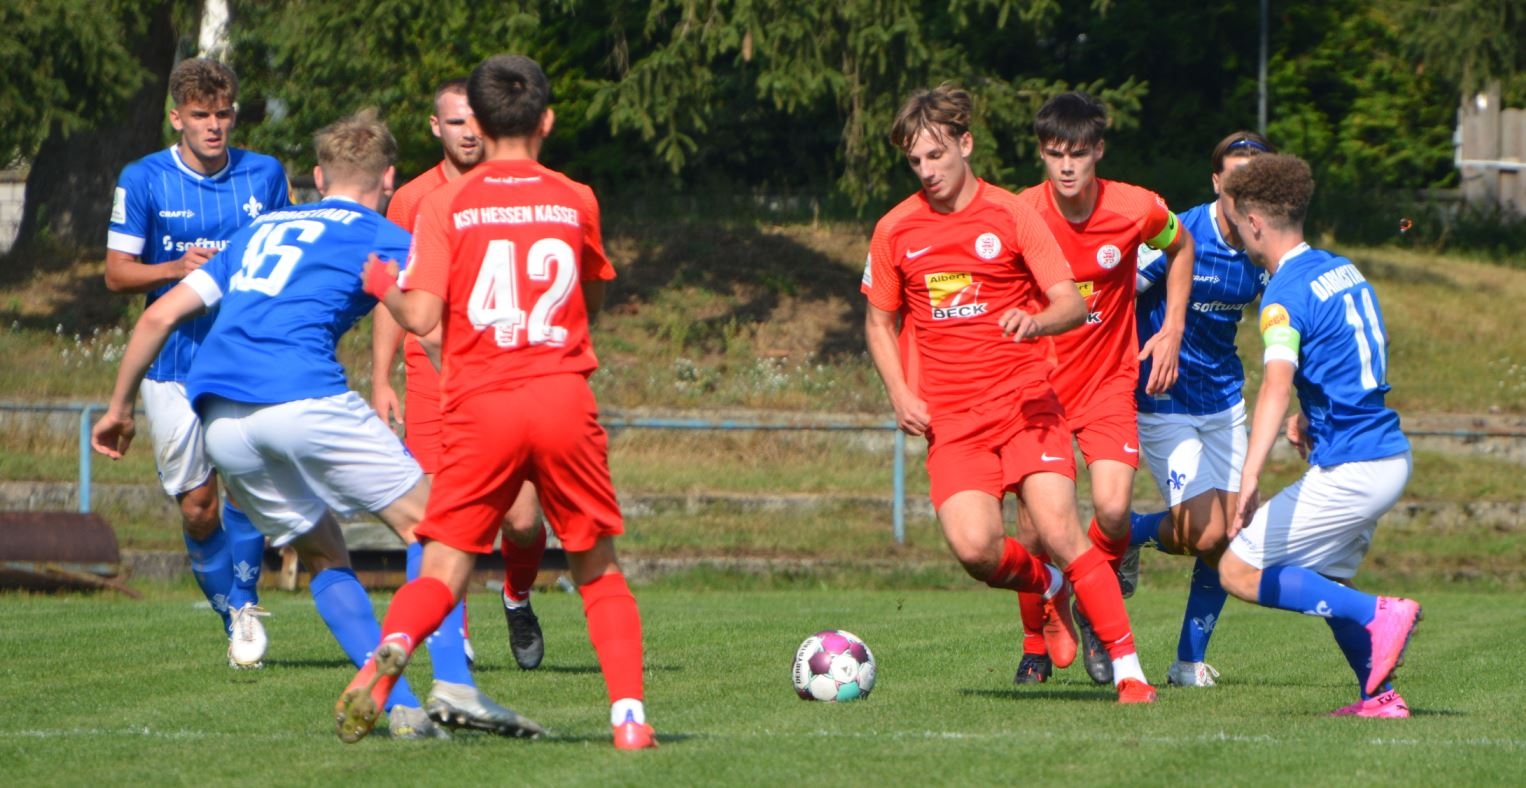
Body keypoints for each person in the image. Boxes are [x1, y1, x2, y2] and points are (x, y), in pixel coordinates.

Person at [91, 110, 539, 740]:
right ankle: (452, 685)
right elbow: (432, 328)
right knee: (439, 530)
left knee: (325, 554)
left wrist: (118, 410)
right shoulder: (382, 234)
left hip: (219, 419)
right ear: (389, 179)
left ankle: (401, 708)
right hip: (304, 398)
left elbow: (157, 318)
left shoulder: (259, 230)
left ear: (319, 178)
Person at [338, 54, 658, 747]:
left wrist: (382, 284)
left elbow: (423, 316)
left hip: (479, 402)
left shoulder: (444, 203)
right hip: (561, 395)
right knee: (597, 569)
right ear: (547, 120)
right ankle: (630, 720)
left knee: (446, 563)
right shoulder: (577, 198)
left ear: (477, 125)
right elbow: (591, 295)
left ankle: (389, 655)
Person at [861, 83, 1156, 704]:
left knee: (1061, 529)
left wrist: (1036, 322)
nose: (927, 170)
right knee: (976, 550)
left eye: (937, 155)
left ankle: (1131, 672)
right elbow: (879, 323)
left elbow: (1070, 303)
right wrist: (899, 394)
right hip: (952, 420)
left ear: (965, 144)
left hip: (1026, 405)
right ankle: (1050, 587)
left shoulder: (1014, 214)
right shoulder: (894, 230)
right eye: (916, 161)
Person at [1217, 153, 1421, 718]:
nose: (1237, 234)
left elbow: (1275, 384)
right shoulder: (1340, 268)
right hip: (1385, 453)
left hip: (1355, 466)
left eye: (1236, 223)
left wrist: (1249, 474)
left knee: (1236, 570)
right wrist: (1312, 414)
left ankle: (1380, 613)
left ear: (1255, 222)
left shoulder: (1283, 296)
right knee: (1327, 579)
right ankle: (1379, 698)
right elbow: (1352, 351)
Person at [104, 57, 290, 667]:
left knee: (252, 486)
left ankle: (245, 605)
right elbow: (116, 274)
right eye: (202, 115)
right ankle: (232, 611)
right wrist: (175, 269)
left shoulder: (265, 174)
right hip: (173, 366)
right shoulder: (144, 178)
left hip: (246, 360)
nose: (215, 126)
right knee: (198, 507)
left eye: (224, 114)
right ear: (176, 117)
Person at [1010, 91, 1195, 686]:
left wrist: (1172, 327)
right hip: (1036, 391)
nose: (1066, 166)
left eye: (1078, 153)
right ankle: (1035, 641)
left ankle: (1094, 598)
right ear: (1041, 153)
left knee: (1114, 510)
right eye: (1054, 153)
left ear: (1099, 151)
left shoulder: (1135, 207)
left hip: (1107, 384)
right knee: (1035, 531)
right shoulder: (1019, 213)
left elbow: (1181, 245)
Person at [373, 77, 548, 671]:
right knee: (442, 516)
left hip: (506, 373)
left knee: (521, 519)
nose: (468, 133)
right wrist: (381, 379)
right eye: (455, 122)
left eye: (475, 121)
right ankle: (457, 639)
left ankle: (517, 595)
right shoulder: (412, 200)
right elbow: (393, 294)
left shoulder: (518, 190)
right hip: (431, 377)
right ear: (435, 127)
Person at [1124, 132, 1276, 688]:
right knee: (1208, 532)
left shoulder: (1266, 248)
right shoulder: (1179, 234)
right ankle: (1123, 532)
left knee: (1232, 532)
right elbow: (1115, 293)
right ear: (1216, 182)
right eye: (1234, 179)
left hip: (1224, 401)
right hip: (1164, 399)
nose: (1244, 191)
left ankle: (1188, 663)